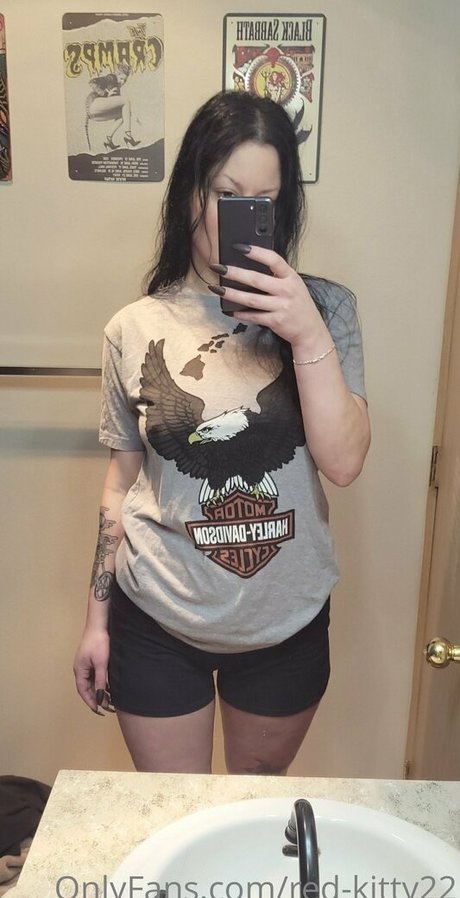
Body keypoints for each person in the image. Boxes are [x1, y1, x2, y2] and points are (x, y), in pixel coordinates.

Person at [73, 90, 370, 775]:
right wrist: (95, 620)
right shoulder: (134, 327)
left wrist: (305, 332)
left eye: (263, 200)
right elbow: (121, 484)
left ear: (283, 207)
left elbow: (345, 462)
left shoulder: (327, 312)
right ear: (191, 193)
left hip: (284, 623)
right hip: (157, 617)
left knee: (254, 810)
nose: (243, 215)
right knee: (179, 818)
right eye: (227, 194)